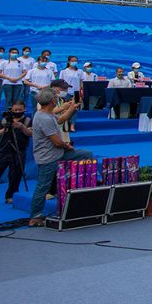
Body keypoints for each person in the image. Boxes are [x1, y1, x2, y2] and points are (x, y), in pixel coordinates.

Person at [28, 88, 90, 226]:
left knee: (86, 155)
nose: (57, 99)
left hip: (57, 153)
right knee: (42, 187)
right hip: (48, 157)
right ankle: (35, 216)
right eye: (55, 98)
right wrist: (67, 146)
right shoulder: (44, 118)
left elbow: (60, 119)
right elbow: (57, 142)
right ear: (52, 101)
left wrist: (72, 107)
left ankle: (81, 184)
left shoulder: (46, 114)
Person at [0, 99, 31, 204]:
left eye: (20, 110)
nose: (17, 112)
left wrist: (22, 127)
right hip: (4, 149)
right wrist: (7, 128)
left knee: (15, 175)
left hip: (19, 150)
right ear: (11, 109)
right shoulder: (5, 120)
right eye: (15, 110)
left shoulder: (28, 120)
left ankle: (10, 195)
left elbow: (30, 133)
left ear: (24, 109)